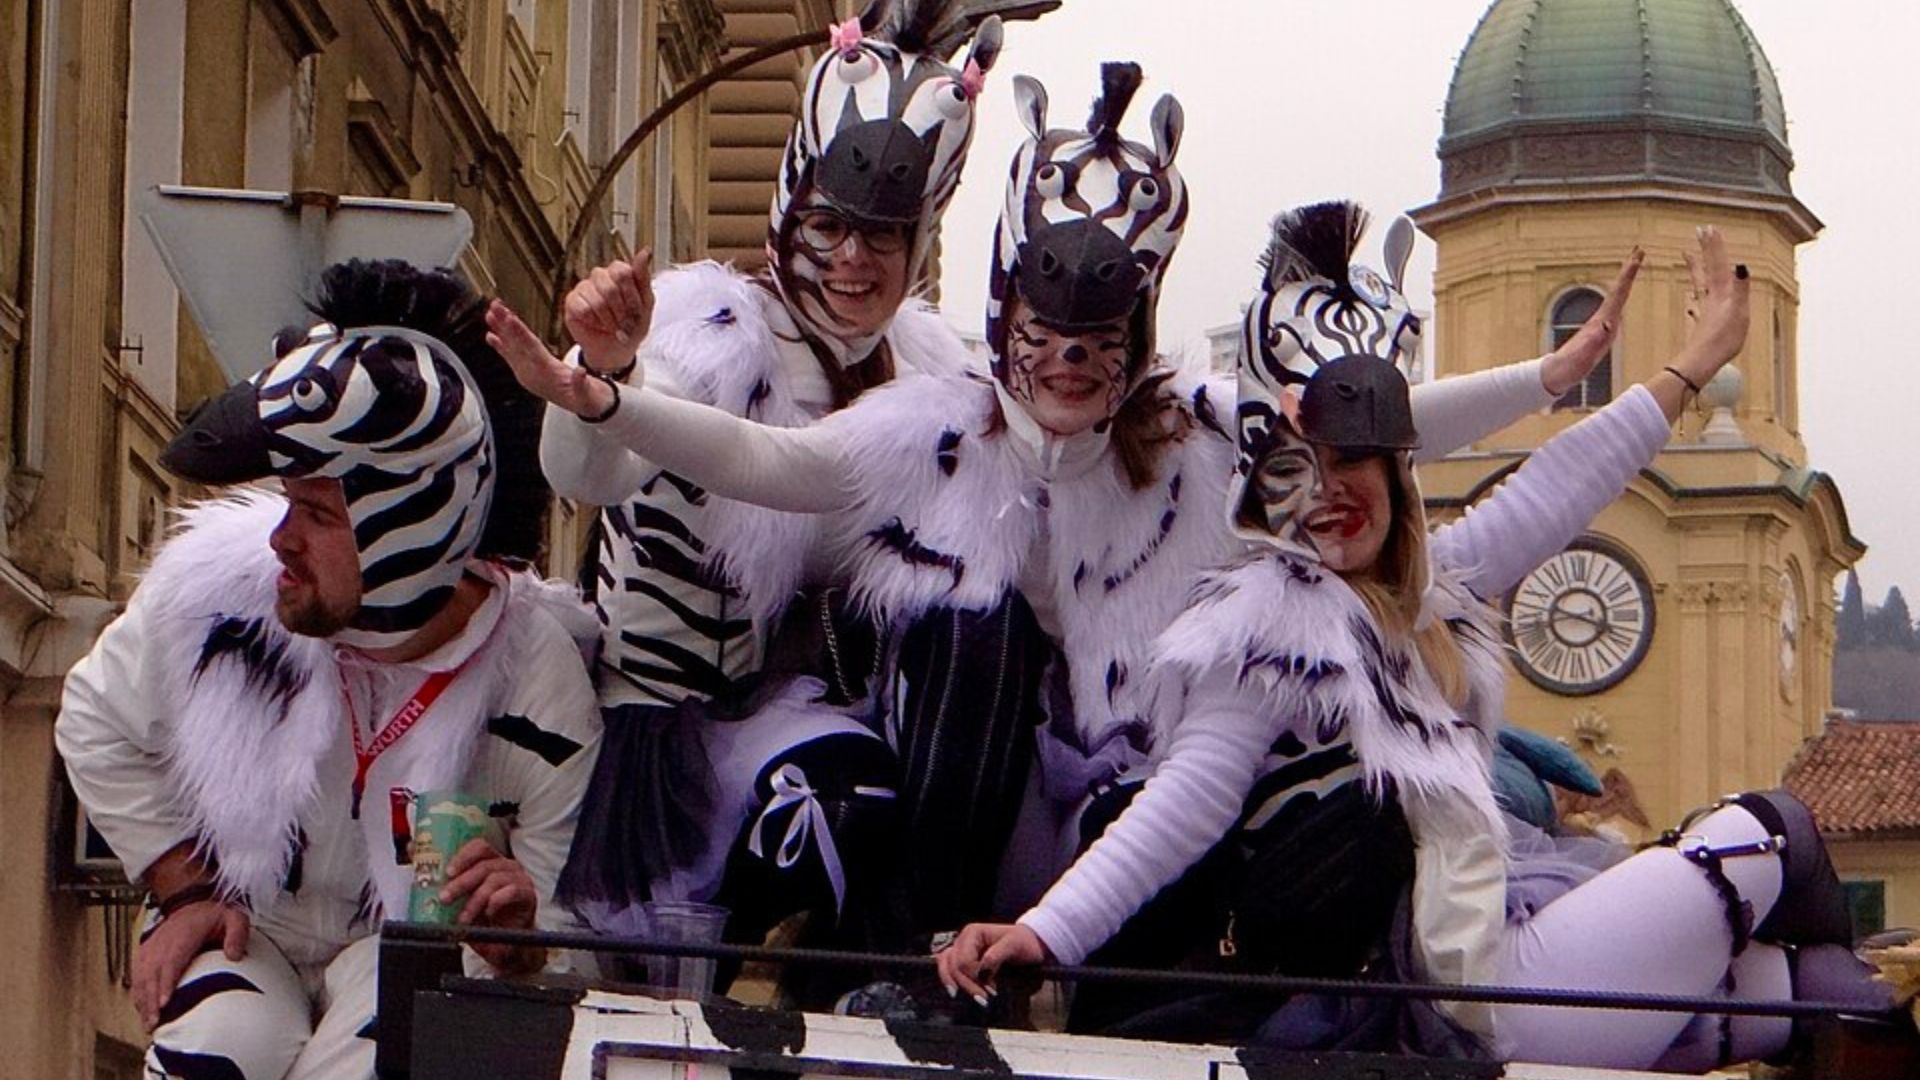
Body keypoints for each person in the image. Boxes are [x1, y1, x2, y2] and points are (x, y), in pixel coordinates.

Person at [490, 69, 1629, 960]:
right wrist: (601, 394)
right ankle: (906, 945)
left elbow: (1366, 426)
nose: (1069, 371)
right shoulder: (931, 425)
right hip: (963, 789)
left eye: (1098, 348)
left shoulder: (1193, 433)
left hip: (1123, 797)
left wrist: (1549, 379)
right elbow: (766, 460)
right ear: (1004, 324)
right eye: (1044, 341)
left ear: (1134, 349)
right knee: (964, 630)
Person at [935, 206, 1896, 1071]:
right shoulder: (1264, 630)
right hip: (1480, 993)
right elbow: (1182, 803)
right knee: (1771, 830)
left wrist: (1681, 370)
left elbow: (1562, 484)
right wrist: (1045, 932)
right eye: (1304, 468)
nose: (1332, 490)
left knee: (1819, 990)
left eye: (1359, 463)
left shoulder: (1434, 595)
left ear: (1401, 480)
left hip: (1518, 934)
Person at [541, 2, 1014, 953]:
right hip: (653, 746)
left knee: (887, 757)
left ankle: (862, 972)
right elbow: (589, 472)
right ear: (791, 208)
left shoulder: (931, 379)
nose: (853, 260)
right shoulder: (708, 336)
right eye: (833, 225)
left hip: (804, 740)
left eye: (884, 236)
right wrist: (607, 379)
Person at [57, 261, 602, 1080]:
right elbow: (92, 720)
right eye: (286, 504)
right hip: (254, 924)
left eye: (316, 514)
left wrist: (519, 937)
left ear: (406, 525)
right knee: (213, 1052)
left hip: (407, 949)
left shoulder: (540, 682)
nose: (280, 539)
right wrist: (183, 885)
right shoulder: (220, 597)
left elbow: (577, 938)